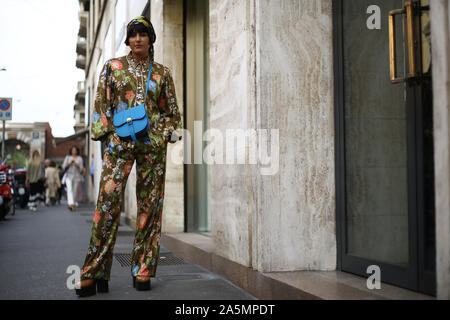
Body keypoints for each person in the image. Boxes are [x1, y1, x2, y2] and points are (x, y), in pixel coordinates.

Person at [76, 16, 182, 297]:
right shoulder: (113, 67)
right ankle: (94, 270)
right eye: (133, 34)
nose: (138, 39)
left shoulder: (162, 73)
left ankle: (143, 269)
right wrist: (107, 135)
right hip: (119, 145)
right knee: (107, 203)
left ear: (151, 39)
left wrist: (165, 132)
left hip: (152, 146)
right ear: (128, 39)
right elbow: (101, 104)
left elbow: (172, 113)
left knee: (150, 207)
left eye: (143, 34)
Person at [62, 146, 84, 211]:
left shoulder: (80, 158)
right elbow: (63, 166)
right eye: (73, 150)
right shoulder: (68, 157)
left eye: (75, 150)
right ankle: (70, 204)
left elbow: (81, 168)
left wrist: (77, 165)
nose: (74, 151)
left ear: (77, 151)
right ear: (71, 151)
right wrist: (69, 163)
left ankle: (73, 204)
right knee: (69, 189)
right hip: (69, 176)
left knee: (74, 191)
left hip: (77, 177)